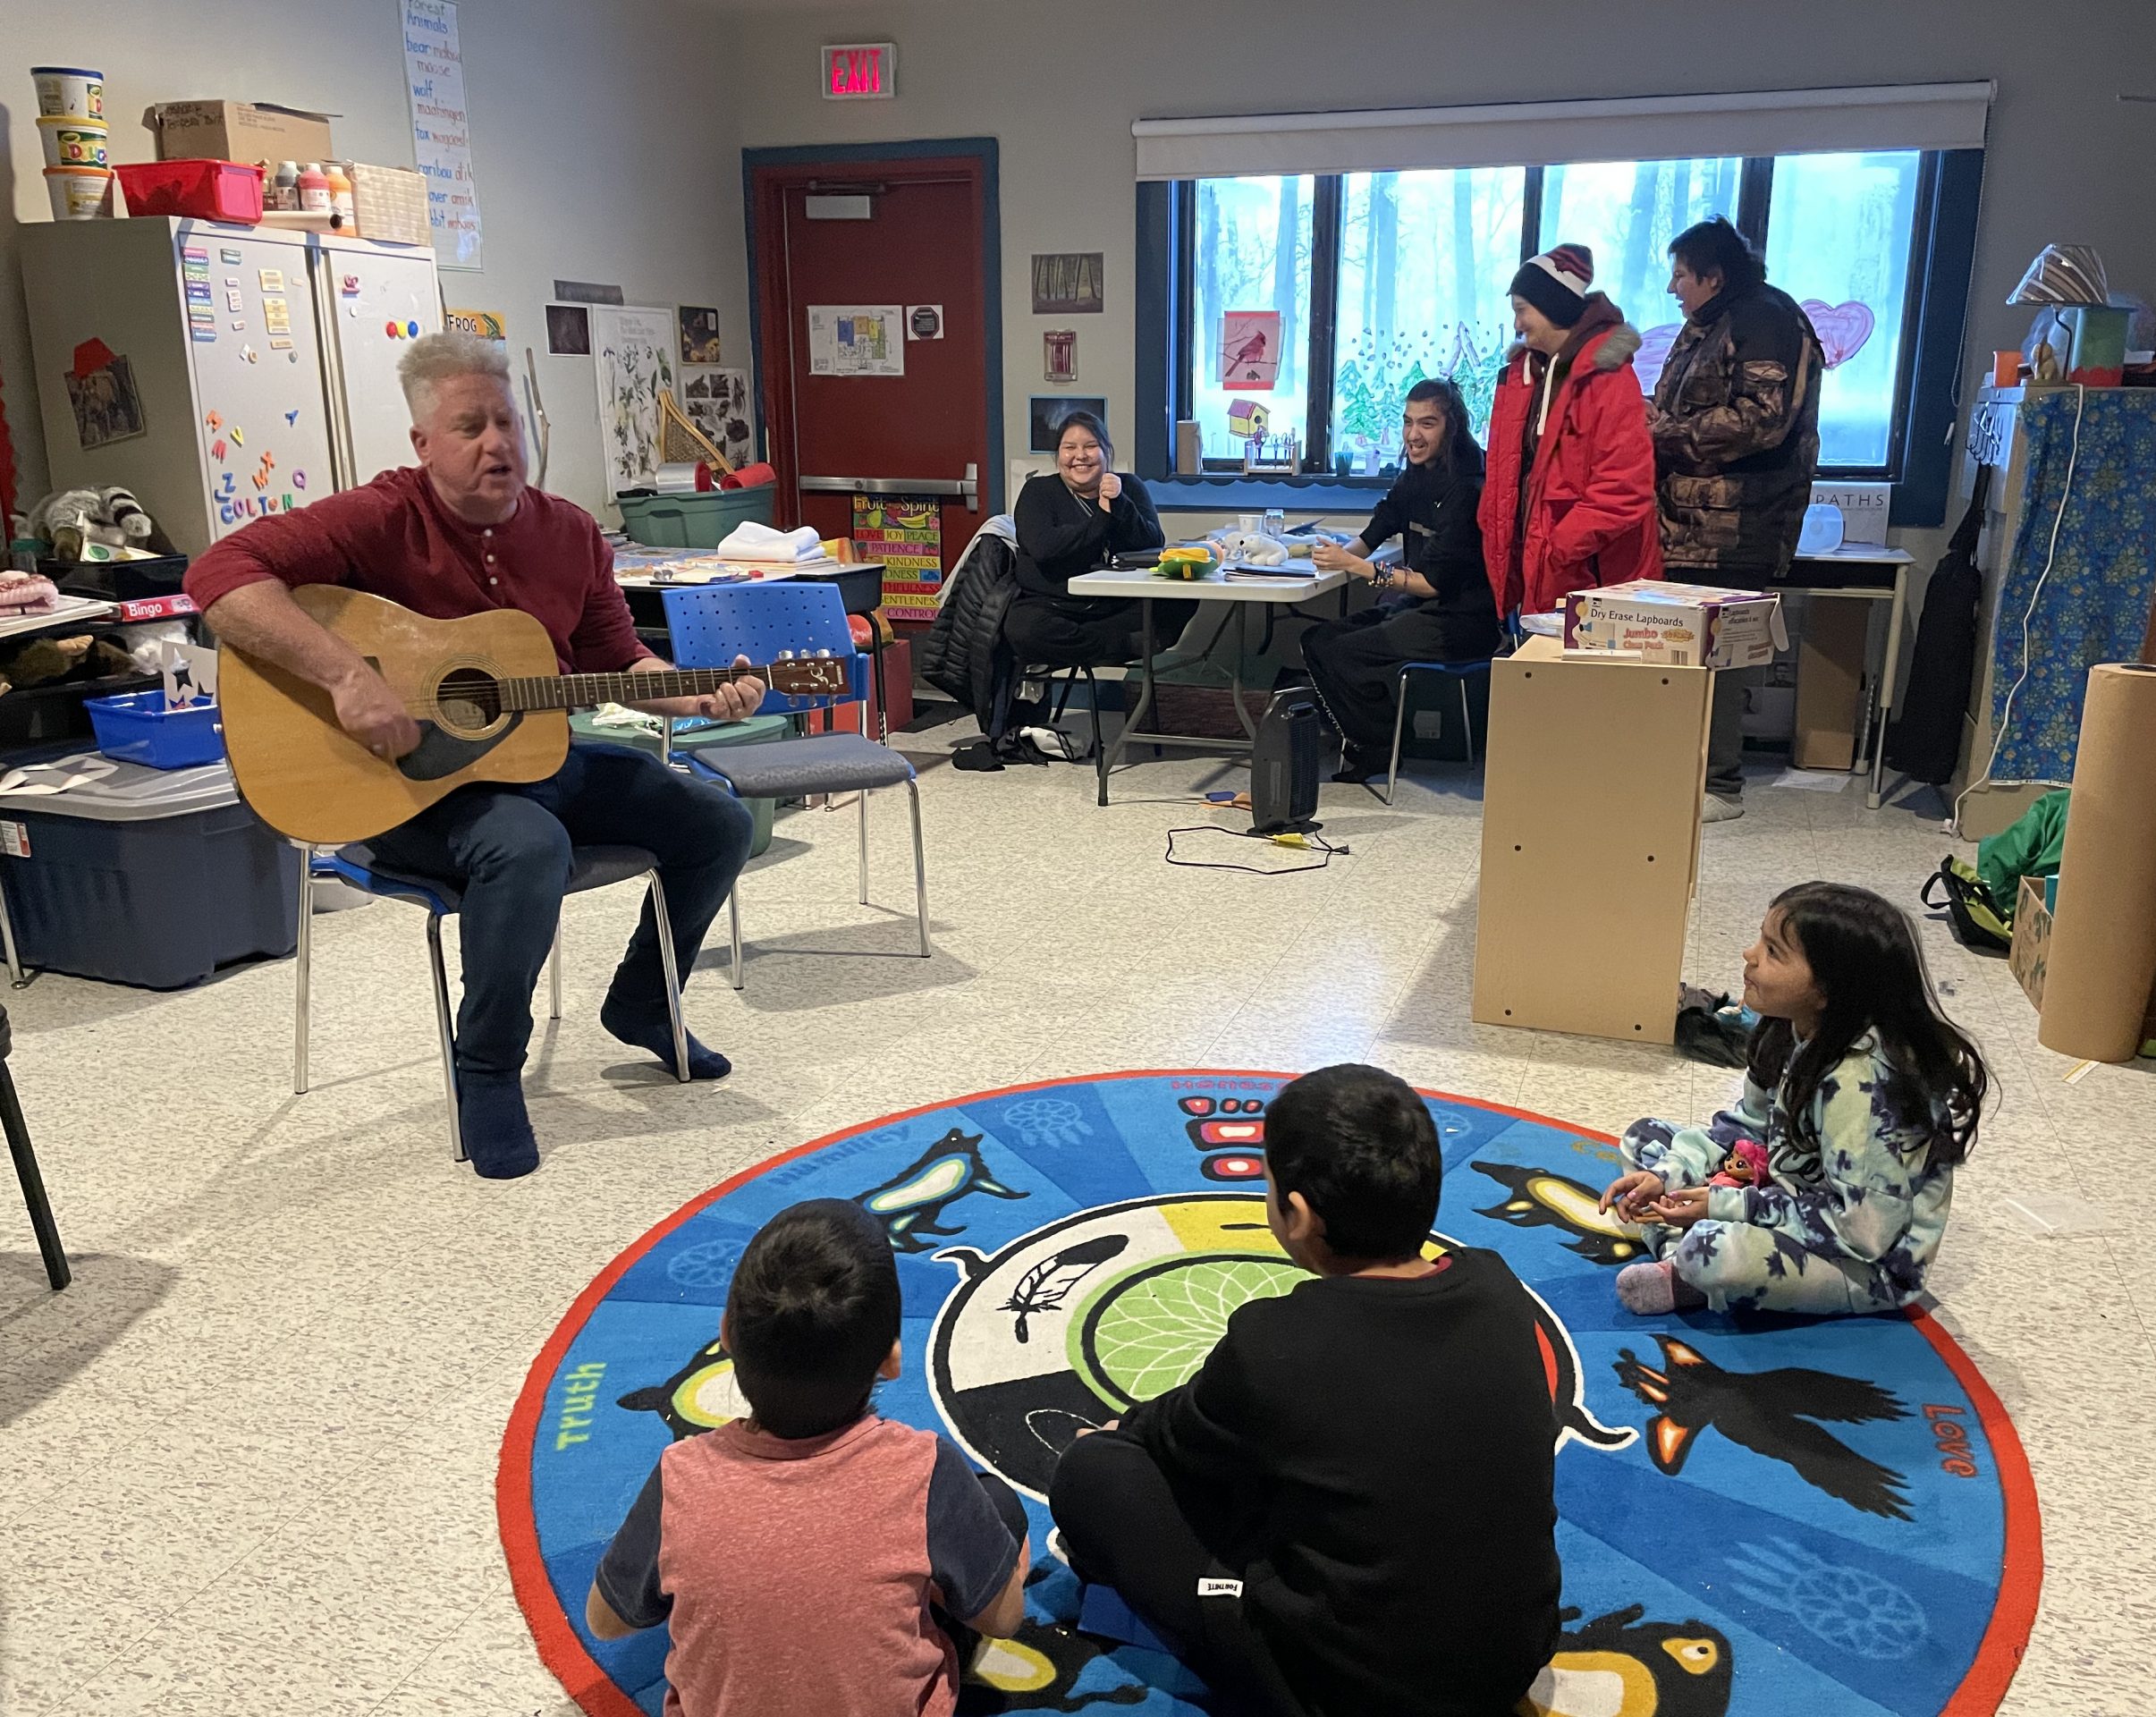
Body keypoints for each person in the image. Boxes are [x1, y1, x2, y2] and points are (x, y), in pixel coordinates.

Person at [185, 331, 760, 1180]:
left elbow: (613, 655)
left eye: (507, 422)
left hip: (540, 763)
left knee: (715, 819)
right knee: (528, 846)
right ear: (423, 444)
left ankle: (641, 1000)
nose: (497, 443)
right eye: (469, 426)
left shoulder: (568, 532)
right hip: (408, 796)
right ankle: (487, 1066)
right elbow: (220, 576)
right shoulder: (380, 517)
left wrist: (698, 693)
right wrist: (347, 676)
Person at [1049, 1063, 1561, 1717]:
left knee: (1094, 1473)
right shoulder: (1497, 1286)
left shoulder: (1277, 1342)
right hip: (1517, 1655)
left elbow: (1166, 1438)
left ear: (1296, 1214)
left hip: (1345, 1694)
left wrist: (1112, 1438)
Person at [588, 1199, 1030, 1717]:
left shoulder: (681, 1475)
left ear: (727, 1335)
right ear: (891, 1360)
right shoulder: (924, 1468)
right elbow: (1003, 1621)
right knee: (997, 1504)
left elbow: (607, 1621)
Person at [1601, 883, 1990, 1317]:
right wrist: (1671, 1176)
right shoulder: (1790, 1028)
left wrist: (1729, 1205)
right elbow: (1747, 1128)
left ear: (1828, 991)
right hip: (1788, 1193)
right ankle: (1681, 1247)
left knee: (1710, 1250)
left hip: (1864, 1263)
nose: (1749, 955)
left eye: (1773, 951)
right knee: (1645, 1140)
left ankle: (1683, 1263)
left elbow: (1863, 1233)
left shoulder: (1859, 1087)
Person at [1646, 216, 1824, 822]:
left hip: (1737, 525)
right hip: (1687, 525)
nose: (1673, 289)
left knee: (1720, 656)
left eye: (1680, 276)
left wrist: (1659, 433)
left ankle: (1719, 785)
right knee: (1682, 653)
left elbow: (1761, 420)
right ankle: (1682, 771)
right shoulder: (1707, 325)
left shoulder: (1765, 320)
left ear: (1713, 275)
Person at [1301, 380, 1501, 785]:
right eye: (1409, 422)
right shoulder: (1416, 475)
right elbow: (1376, 530)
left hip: (1463, 622)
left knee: (1346, 653)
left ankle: (1377, 748)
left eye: (1427, 424)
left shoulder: (1468, 487)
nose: (1413, 434)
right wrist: (1320, 555)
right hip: (1422, 610)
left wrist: (1358, 569)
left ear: (1452, 427)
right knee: (1317, 641)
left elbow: (1430, 584)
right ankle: (1370, 741)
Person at [1478, 242, 1661, 621]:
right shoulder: (1521, 379)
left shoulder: (1608, 377)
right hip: (1538, 580)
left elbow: (1623, 491)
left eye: (1521, 310)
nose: (1516, 324)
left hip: (1592, 585)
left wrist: (1554, 548)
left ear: (1552, 307)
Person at [1004, 410, 1172, 689]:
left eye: (1091, 446)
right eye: (1069, 448)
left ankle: (1100, 642)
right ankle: (1122, 644)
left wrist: (1120, 504)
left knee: (1182, 599)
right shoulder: (1038, 491)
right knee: (1023, 630)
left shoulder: (1128, 485)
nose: (1080, 456)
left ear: (1107, 452)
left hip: (1117, 606)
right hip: (1056, 606)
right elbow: (1044, 548)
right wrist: (1101, 521)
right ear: (1058, 455)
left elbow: (1153, 543)